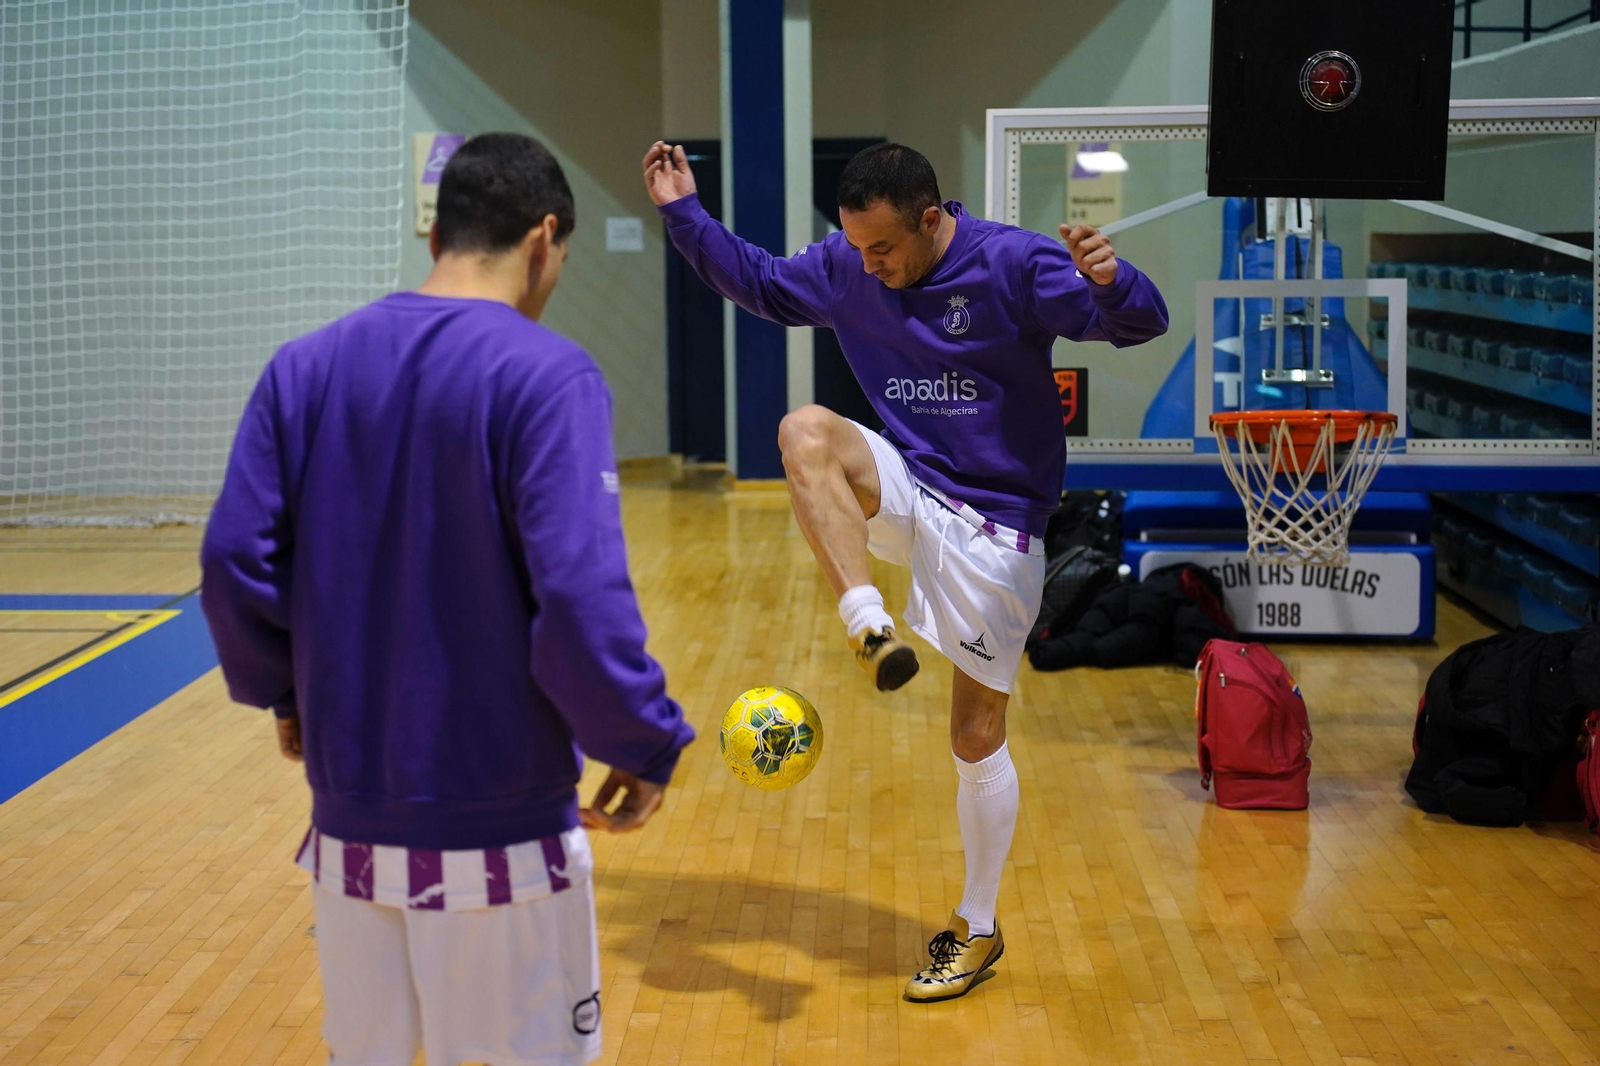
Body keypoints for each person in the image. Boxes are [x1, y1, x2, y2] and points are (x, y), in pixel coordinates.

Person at [202, 132, 694, 1066]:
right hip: (502, 829)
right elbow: (580, 600)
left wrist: (288, 692)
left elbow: (231, 560)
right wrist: (643, 739)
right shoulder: (548, 375)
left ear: (437, 238)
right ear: (546, 238)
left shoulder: (301, 368)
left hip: (348, 832)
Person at [645, 140, 1166, 1002]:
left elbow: (1134, 325)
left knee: (974, 736)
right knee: (805, 427)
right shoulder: (855, 265)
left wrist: (1115, 282)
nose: (868, 264)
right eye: (855, 247)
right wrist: (683, 212)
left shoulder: (1014, 261)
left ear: (931, 218)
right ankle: (865, 620)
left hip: (997, 520)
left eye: (883, 247)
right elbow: (767, 284)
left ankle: (979, 927)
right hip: (907, 488)